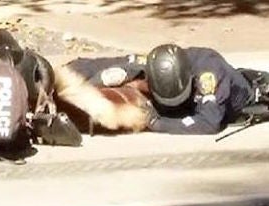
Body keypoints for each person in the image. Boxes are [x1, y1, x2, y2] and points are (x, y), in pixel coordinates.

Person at [65, 43, 268, 135]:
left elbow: (209, 123)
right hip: (172, 94)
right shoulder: (155, 61)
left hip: (248, 92)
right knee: (120, 73)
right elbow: (94, 63)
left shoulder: (210, 76)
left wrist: (157, 123)